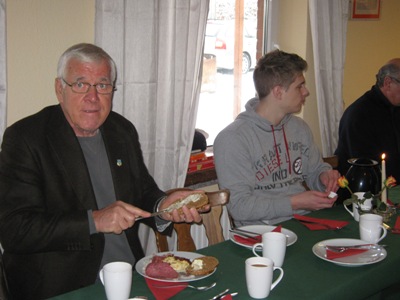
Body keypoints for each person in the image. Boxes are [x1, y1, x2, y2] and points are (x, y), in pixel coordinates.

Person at [0, 43, 206, 300]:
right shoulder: (26, 138)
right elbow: (14, 230)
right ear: (59, 89)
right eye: (81, 84)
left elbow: (142, 191)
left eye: (102, 85)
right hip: (63, 286)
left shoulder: (121, 130)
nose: (93, 96)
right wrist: (94, 220)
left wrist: (164, 205)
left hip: (130, 277)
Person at [213, 50, 340, 227]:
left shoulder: (299, 128)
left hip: (304, 223)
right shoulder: (232, 139)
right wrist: (295, 202)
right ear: (278, 92)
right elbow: (240, 207)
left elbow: (315, 170)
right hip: (258, 236)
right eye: (300, 86)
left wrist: (323, 177)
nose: (306, 92)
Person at [335, 58, 400, 181]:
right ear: (388, 83)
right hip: (366, 190)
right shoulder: (359, 115)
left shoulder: (396, 107)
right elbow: (365, 167)